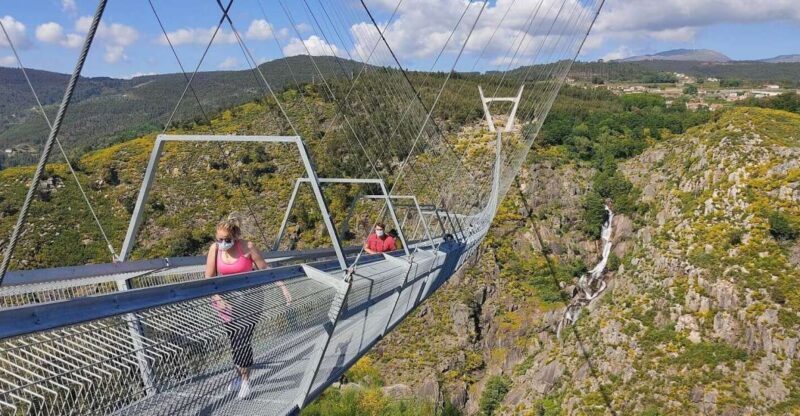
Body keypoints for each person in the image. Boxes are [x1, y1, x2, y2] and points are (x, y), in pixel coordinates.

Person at [205, 216, 291, 399]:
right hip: (226, 303)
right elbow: (209, 279)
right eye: (219, 239)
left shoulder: (247, 247)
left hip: (251, 299)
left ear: (235, 237)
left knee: (243, 337)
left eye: (227, 240)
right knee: (234, 339)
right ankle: (239, 376)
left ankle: (245, 380)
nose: (222, 243)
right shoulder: (215, 250)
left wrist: (282, 288)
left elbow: (265, 269)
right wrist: (217, 297)